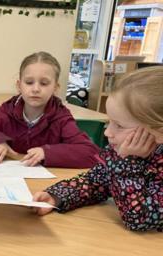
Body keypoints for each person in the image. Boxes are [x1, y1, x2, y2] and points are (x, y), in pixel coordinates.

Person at [33, 66, 163, 232]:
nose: (108, 132)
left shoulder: (127, 156)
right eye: (110, 122)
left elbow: (139, 218)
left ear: (159, 131)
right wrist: (57, 196)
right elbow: (95, 181)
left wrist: (128, 164)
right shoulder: (120, 151)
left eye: (120, 126)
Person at [0, 52, 99, 168]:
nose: (35, 89)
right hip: (9, 178)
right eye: (29, 82)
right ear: (19, 85)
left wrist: (47, 152)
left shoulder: (61, 117)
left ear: (56, 88)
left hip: (43, 187)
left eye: (44, 83)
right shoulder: (8, 111)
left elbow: (91, 154)